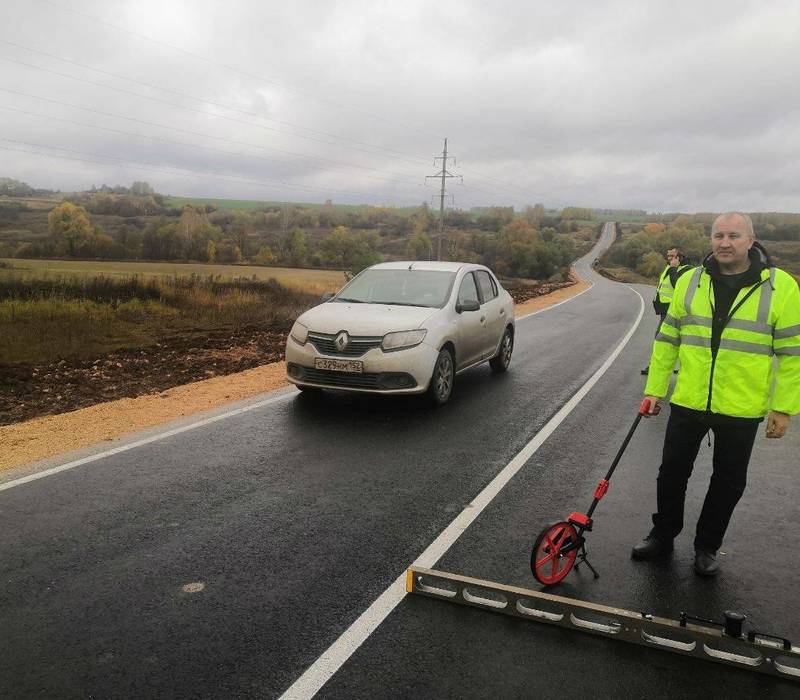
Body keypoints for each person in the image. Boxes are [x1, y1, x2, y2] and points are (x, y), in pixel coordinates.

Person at [632, 212, 800, 576]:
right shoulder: (691, 281)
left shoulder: (782, 287)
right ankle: (663, 535)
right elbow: (668, 341)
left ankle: (707, 546)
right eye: (718, 235)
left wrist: (783, 408)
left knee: (727, 482)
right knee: (671, 473)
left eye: (734, 235)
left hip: (740, 406)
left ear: (751, 241)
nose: (725, 242)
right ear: (710, 240)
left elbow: (792, 354)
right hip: (689, 399)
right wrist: (654, 390)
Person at [641, 248, 693, 375]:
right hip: (666, 310)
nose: (669, 258)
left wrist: (674, 268)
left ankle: (654, 366)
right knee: (674, 339)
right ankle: (673, 366)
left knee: (661, 338)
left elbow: (677, 285)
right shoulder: (670, 267)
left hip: (673, 310)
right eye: (668, 255)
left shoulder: (683, 269)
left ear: (679, 257)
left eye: (672, 255)